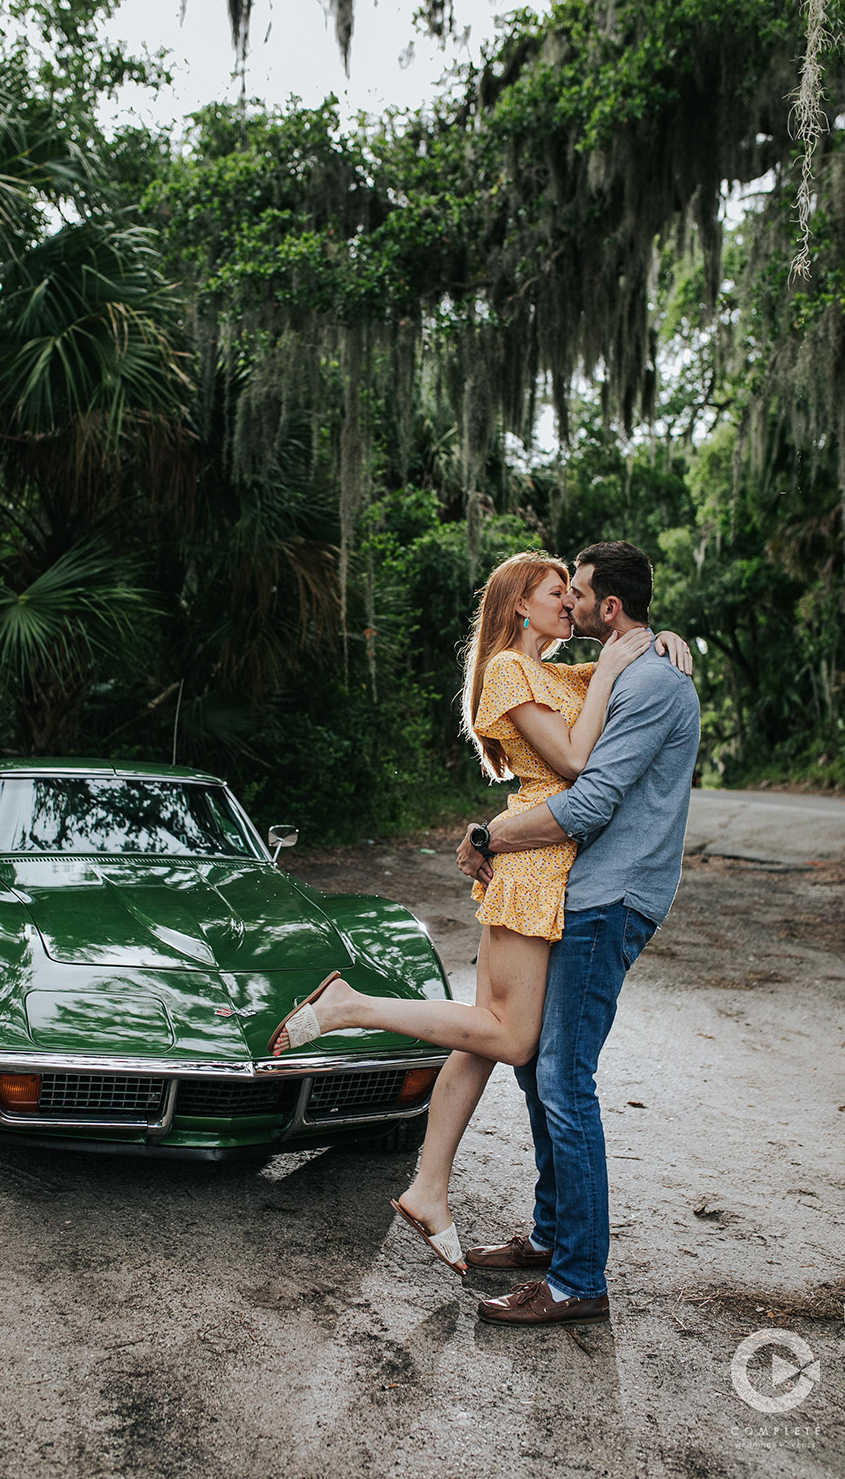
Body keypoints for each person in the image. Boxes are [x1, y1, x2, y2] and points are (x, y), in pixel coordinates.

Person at [267, 545, 695, 1295]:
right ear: (518, 604)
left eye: (578, 592)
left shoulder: (574, 669)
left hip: (551, 861)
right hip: (535, 860)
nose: (570, 603)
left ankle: (430, 1187)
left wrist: (660, 642)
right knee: (515, 1041)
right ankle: (350, 1008)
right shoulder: (509, 669)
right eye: (557, 591)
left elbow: (630, 674)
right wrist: (625, 658)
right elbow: (573, 765)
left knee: (491, 1036)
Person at [456, 540, 700, 1328]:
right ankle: (552, 1236)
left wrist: (493, 836)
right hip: (577, 893)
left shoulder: (653, 685)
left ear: (612, 608)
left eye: (581, 592)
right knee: (536, 1070)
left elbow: (589, 803)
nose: (573, 602)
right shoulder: (627, 668)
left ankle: (577, 1280)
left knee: (563, 1079)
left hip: (610, 899)